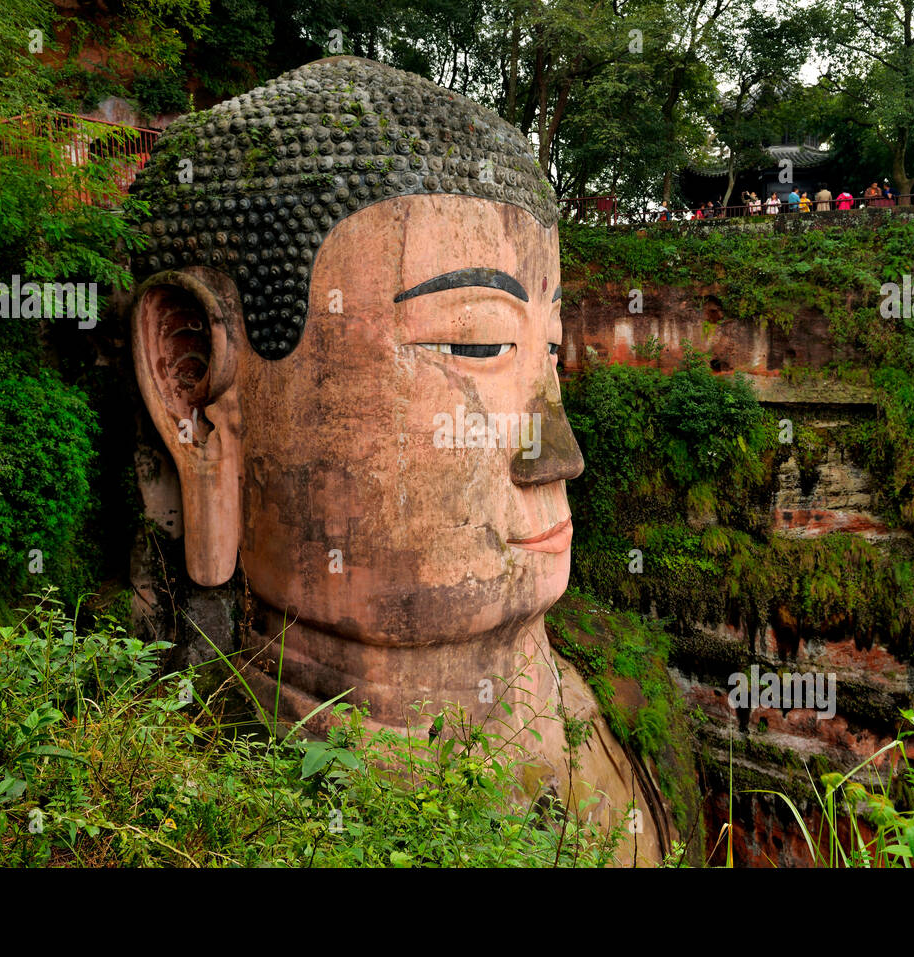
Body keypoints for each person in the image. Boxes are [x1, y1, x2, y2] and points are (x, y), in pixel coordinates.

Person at [128, 55, 670, 864]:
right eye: (478, 343)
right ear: (192, 380)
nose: (558, 454)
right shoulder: (174, 826)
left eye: (550, 351)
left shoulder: (625, 718)